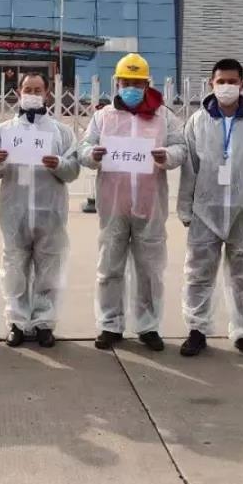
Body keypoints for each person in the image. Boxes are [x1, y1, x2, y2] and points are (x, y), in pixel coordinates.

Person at [79, 53, 186, 351]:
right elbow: (84, 148)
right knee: (109, 268)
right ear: (117, 83)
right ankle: (110, 324)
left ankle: (148, 326)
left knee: (149, 270)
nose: (131, 88)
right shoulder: (104, 117)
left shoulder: (164, 116)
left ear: (147, 84)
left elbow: (181, 147)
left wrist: (168, 156)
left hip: (150, 206)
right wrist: (92, 155)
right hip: (113, 204)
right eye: (126, 82)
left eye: (137, 83)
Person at [177, 58, 243, 359]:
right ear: (211, 84)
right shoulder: (197, 122)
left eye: (232, 82)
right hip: (205, 211)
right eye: (221, 82)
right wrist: (185, 208)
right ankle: (197, 330)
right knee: (198, 273)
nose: (226, 87)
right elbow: (189, 168)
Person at [0, 71, 80, 347]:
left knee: (49, 267)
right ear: (18, 92)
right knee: (14, 267)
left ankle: (43, 323)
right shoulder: (4, 131)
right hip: (14, 211)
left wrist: (59, 164)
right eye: (28, 89)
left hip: (50, 211)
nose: (33, 95)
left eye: (38, 90)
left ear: (47, 94)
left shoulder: (61, 132)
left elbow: (74, 170)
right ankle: (16, 322)